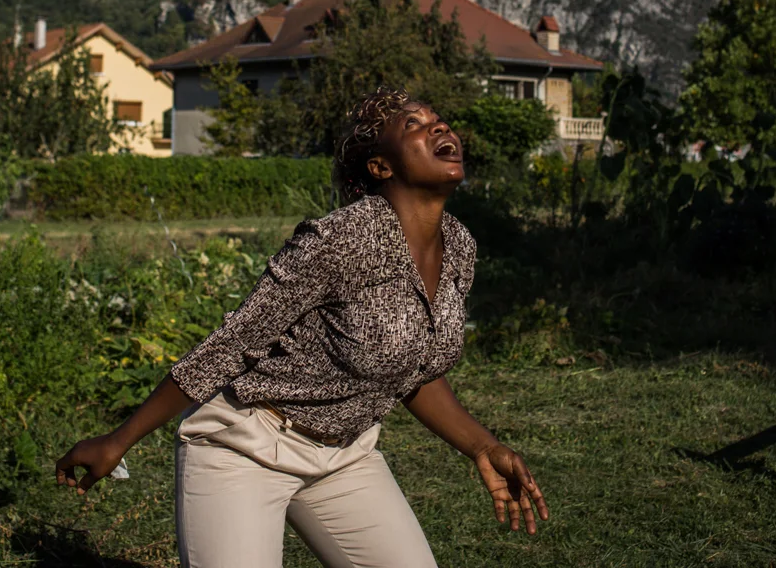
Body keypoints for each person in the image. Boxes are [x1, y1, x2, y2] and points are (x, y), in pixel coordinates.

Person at [55, 87, 548, 567]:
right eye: (414, 125)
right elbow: (233, 344)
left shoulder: (459, 246)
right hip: (245, 445)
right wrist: (117, 440)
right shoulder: (338, 240)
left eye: (439, 121)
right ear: (381, 167)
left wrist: (483, 446)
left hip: (345, 457)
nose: (440, 128)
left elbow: (413, 369)